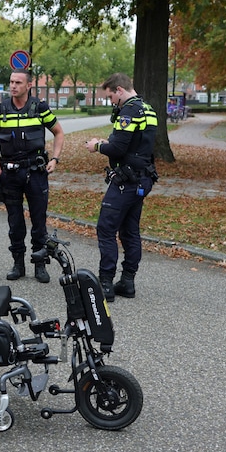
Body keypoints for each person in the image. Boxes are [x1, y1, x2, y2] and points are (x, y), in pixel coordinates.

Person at [0, 69, 65, 282]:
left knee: (39, 221)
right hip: (10, 174)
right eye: (11, 82)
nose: (13, 86)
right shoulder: (1, 110)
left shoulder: (39, 108)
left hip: (36, 173)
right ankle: (18, 263)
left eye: (18, 82)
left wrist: (55, 159)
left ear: (29, 85)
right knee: (15, 222)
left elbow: (58, 132)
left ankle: (40, 264)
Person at [84, 73, 157, 301]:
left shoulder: (129, 111)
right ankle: (127, 282)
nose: (111, 102)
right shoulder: (148, 109)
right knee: (129, 230)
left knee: (106, 229)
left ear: (119, 90)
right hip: (142, 179)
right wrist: (109, 143)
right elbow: (134, 144)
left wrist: (97, 146)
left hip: (126, 181)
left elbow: (118, 150)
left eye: (110, 97)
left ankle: (105, 284)